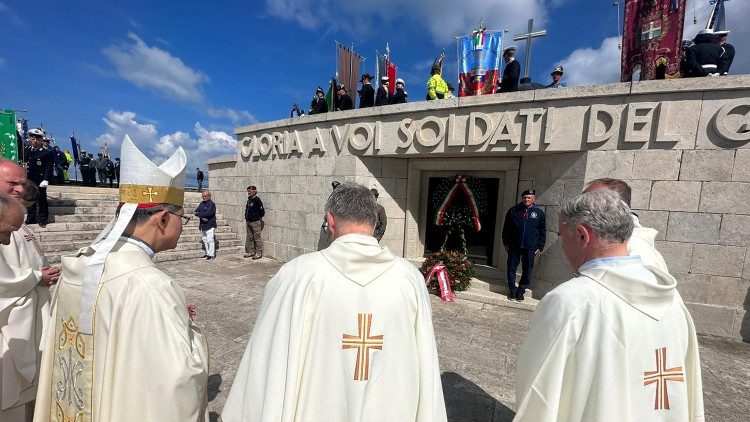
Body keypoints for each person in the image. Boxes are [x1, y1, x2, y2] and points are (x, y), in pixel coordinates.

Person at [222, 183, 447, 422]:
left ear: (330, 220)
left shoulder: (296, 276)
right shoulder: (409, 278)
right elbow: (425, 362)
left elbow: (266, 362)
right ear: (373, 223)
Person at [33, 135, 209, 421]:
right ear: (162, 219)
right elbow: (178, 380)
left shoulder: (79, 263)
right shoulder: (150, 286)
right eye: (182, 218)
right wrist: (188, 329)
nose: (183, 226)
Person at [514, 189, 704, 421]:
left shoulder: (569, 301)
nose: (562, 247)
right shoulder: (673, 300)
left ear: (583, 236)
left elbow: (537, 391)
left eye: (563, 237)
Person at [0, 162, 57, 422]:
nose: (20, 188)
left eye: (23, 183)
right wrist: (36, 276)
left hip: (32, 307)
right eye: (13, 183)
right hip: (9, 322)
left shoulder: (15, 215)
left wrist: (42, 272)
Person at [583, 178, 668, 272]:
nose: (577, 207)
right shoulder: (613, 241)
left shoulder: (634, 253)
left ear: (612, 207)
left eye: (586, 202)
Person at [501, 189, 545, 301]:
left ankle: (521, 291)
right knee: (511, 268)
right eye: (525, 197)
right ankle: (512, 290)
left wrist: (540, 246)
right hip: (514, 246)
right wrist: (506, 242)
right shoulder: (513, 211)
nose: (527, 199)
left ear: (533, 199)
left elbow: (542, 231)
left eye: (529, 197)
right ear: (522, 198)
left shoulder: (539, 213)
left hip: (530, 247)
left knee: (527, 270)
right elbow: (506, 228)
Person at [24, 128, 53, 226]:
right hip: (29, 178)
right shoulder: (26, 150)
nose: (35, 141)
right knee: (29, 198)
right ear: (30, 139)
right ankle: (31, 218)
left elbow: (48, 167)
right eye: (33, 139)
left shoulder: (47, 152)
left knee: (41, 199)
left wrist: (46, 179)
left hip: (40, 179)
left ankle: (43, 219)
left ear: (41, 140)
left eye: (37, 139)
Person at [194, 189, 217, 260]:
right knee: (205, 240)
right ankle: (207, 253)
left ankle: (211, 255)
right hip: (203, 225)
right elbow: (195, 212)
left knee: (210, 240)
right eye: (203, 196)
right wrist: (202, 216)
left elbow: (208, 213)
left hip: (210, 225)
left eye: (205, 196)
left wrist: (200, 215)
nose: (204, 197)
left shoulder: (212, 204)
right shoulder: (201, 203)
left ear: (209, 196)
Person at [244, 185, 265, 259]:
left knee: (257, 238)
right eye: (248, 191)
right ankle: (252, 251)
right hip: (248, 221)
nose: (249, 192)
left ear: (254, 191)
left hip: (255, 222)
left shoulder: (257, 200)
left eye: (250, 191)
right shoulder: (249, 200)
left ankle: (259, 253)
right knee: (251, 238)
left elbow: (262, 211)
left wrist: (257, 218)